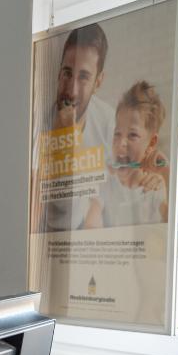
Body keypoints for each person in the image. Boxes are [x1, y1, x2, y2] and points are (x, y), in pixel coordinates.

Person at [37, 24, 115, 232]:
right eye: (67, 73)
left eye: (83, 77)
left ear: (98, 81)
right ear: (58, 71)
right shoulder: (38, 123)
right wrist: (63, 137)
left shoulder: (108, 121)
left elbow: (111, 179)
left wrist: (97, 206)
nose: (71, 90)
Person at [83, 81, 169, 228]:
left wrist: (167, 173)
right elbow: (91, 223)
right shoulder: (105, 185)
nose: (121, 142)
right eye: (117, 134)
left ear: (151, 143)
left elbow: (172, 226)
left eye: (132, 135)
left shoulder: (155, 190)